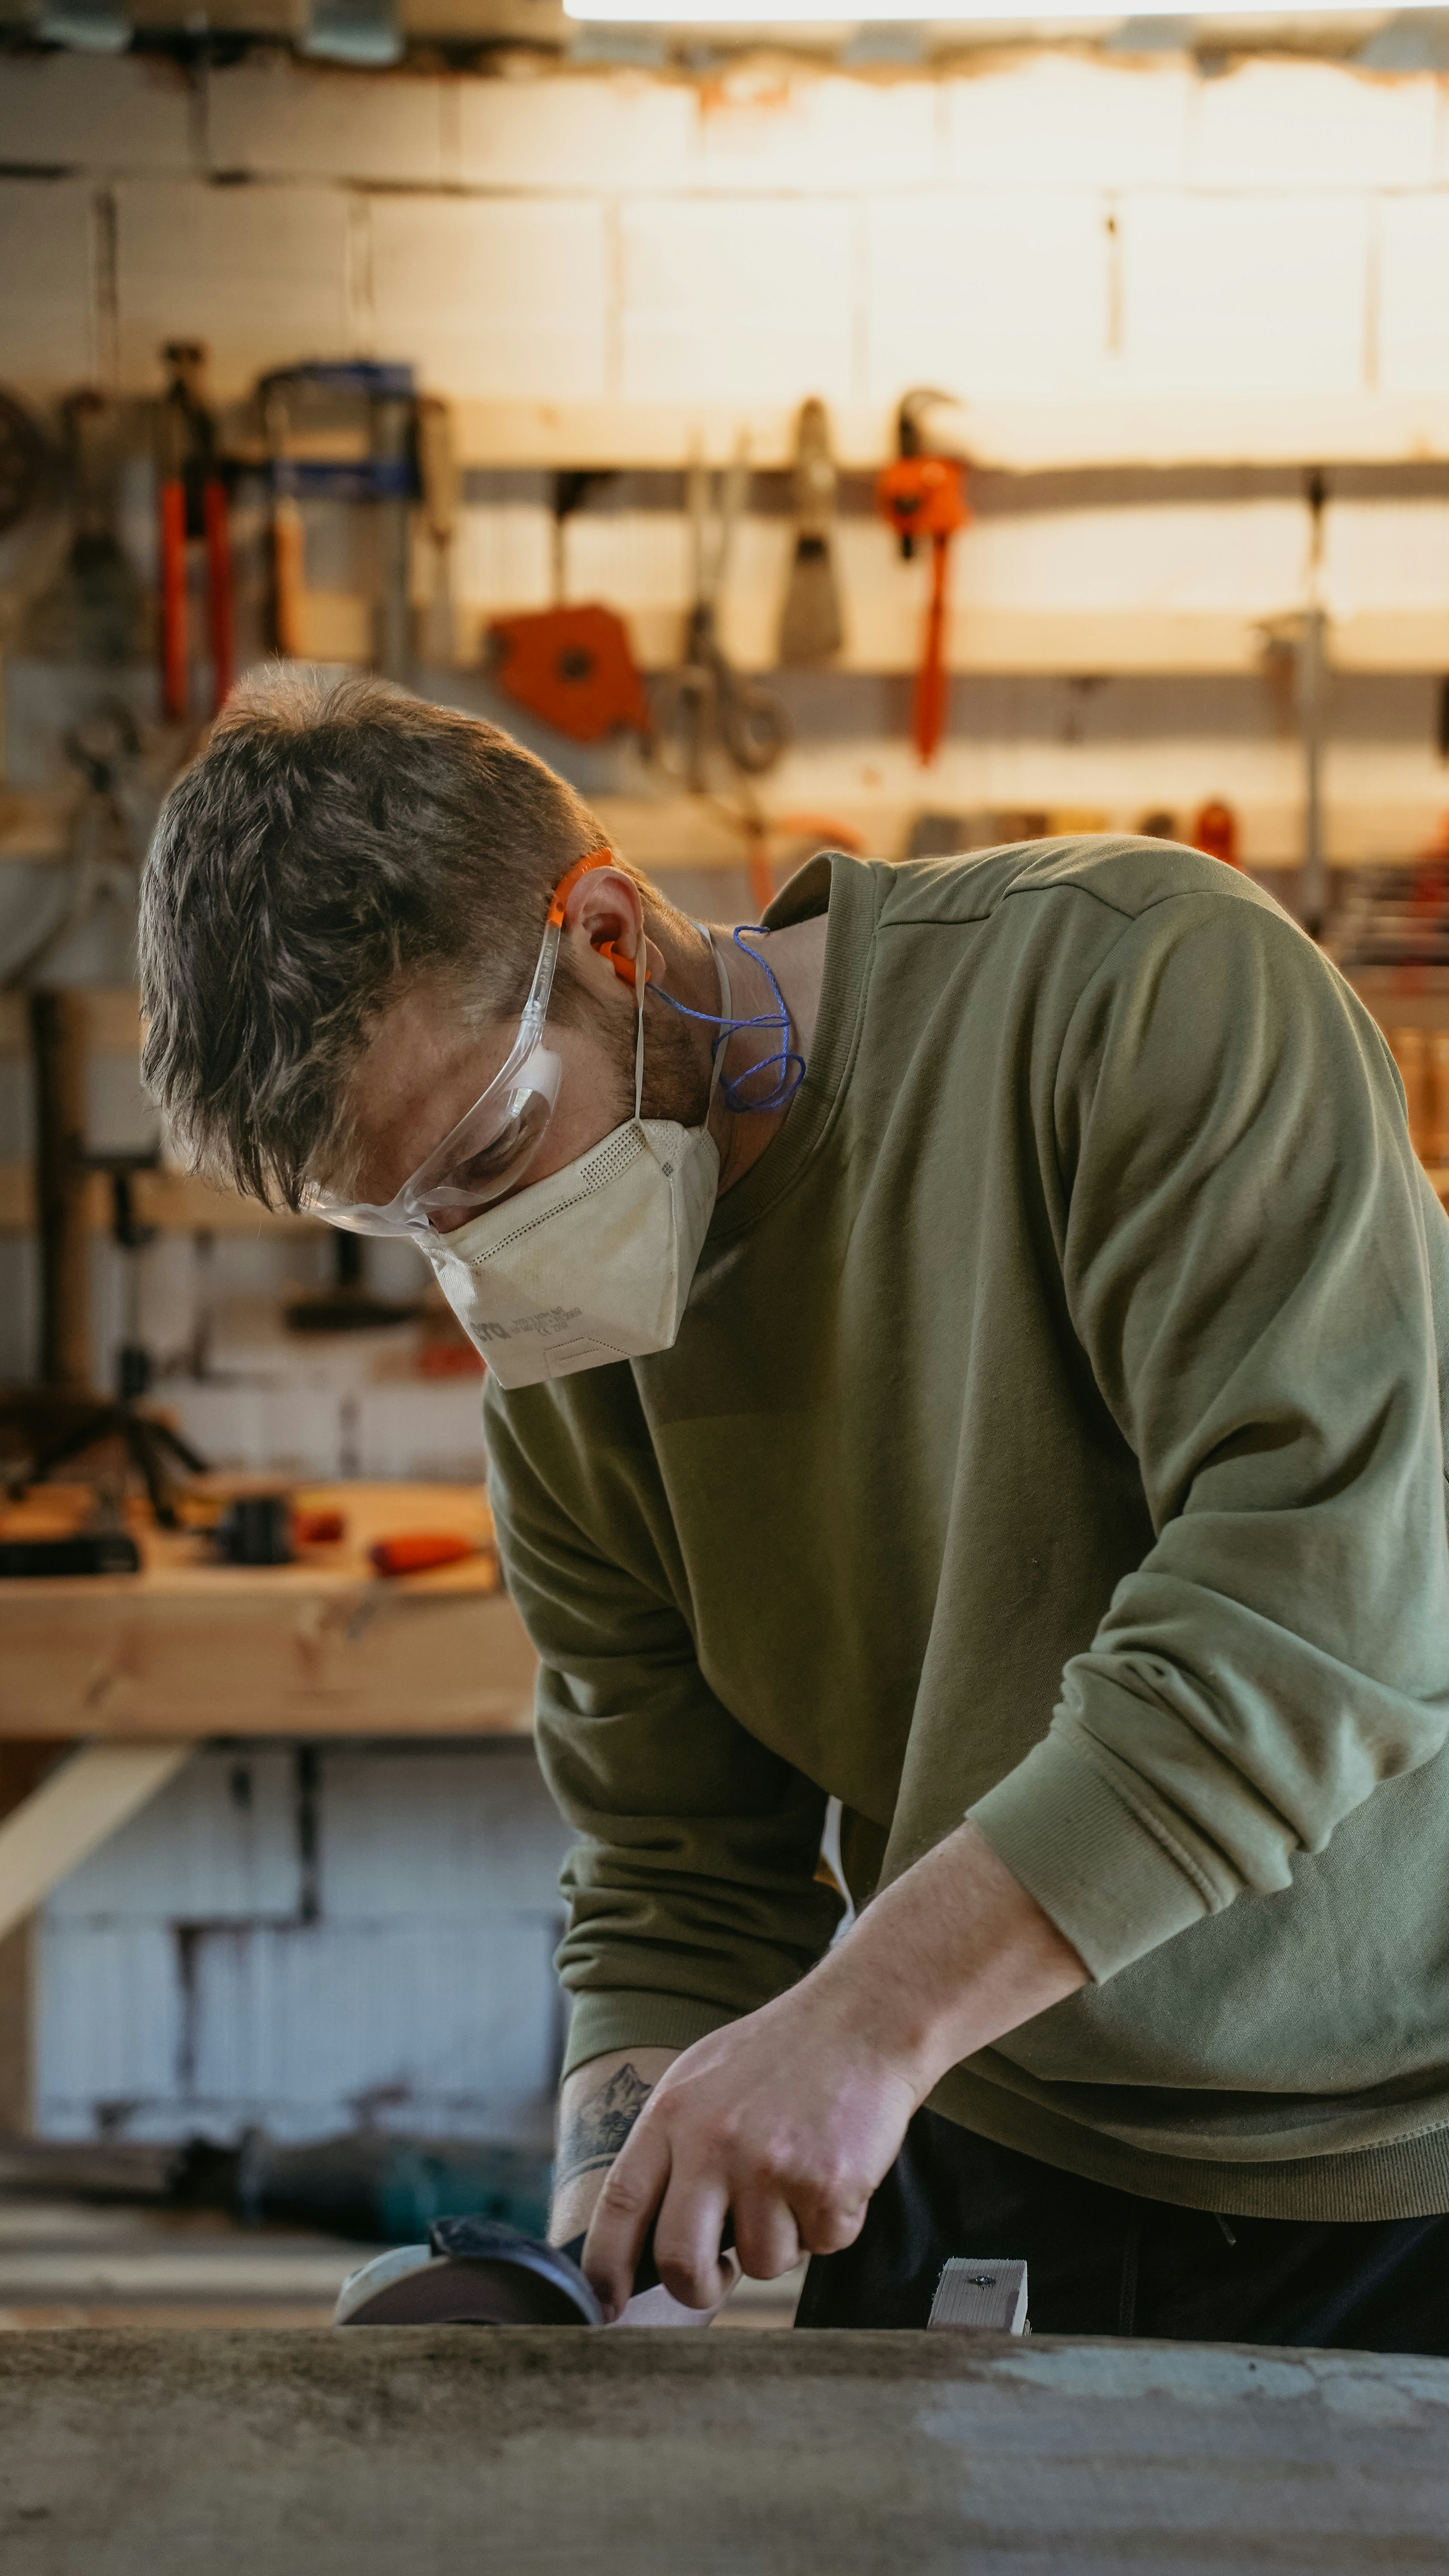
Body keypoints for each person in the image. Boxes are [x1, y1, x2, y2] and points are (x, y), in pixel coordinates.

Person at [139, 671, 1449, 2350]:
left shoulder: (1138, 987)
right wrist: (586, 2288)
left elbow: (1324, 1602)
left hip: (1396, 2145)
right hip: (988, 2127)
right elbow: (678, 1858)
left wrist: (864, 2023)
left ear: (608, 934)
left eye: (487, 1152)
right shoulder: (571, 1355)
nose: (479, 1266)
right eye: (406, 1224)